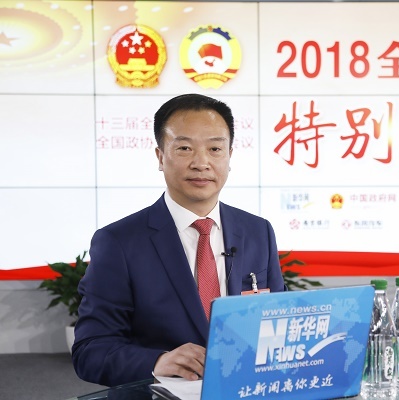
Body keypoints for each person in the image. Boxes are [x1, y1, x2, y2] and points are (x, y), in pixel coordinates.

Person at [72, 94, 286, 387]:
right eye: (185, 148)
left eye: (215, 149)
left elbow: (278, 326)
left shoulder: (258, 231)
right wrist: (158, 362)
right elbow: (90, 351)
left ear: (229, 156)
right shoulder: (118, 242)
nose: (201, 163)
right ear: (160, 157)